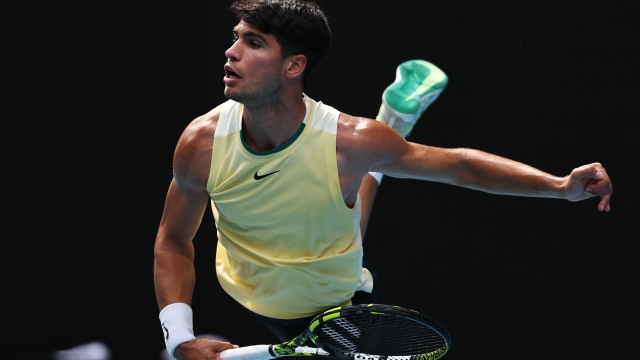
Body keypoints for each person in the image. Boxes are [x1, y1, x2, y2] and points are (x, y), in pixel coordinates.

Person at [153, 1, 613, 359]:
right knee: (341, 198)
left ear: (294, 66)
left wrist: (558, 186)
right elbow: (173, 240)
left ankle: (393, 121)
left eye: (253, 43)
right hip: (247, 291)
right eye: (236, 38)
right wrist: (179, 338)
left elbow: (458, 166)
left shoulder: (348, 142)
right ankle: (396, 115)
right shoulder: (202, 143)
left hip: (337, 305)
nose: (231, 52)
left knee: (345, 187)